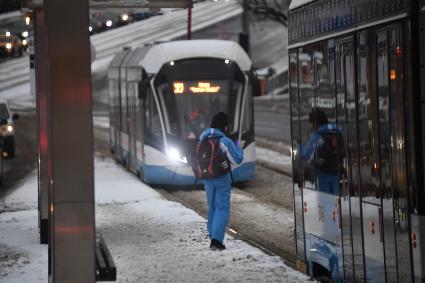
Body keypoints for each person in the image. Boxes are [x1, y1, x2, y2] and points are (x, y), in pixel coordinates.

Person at [198, 112, 243, 251]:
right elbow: (236, 160)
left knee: (212, 207)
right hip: (222, 179)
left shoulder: (202, 137)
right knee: (222, 208)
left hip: (207, 178)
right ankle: (216, 241)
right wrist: (239, 147)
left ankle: (212, 235)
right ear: (224, 126)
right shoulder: (224, 140)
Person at [298, 108, 343, 194]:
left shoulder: (316, 135)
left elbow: (307, 157)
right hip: (336, 172)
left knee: (324, 200)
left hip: (322, 173)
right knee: (336, 199)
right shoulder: (337, 131)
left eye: (311, 123)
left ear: (315, 123)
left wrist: (300, 145)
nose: (311, 126)